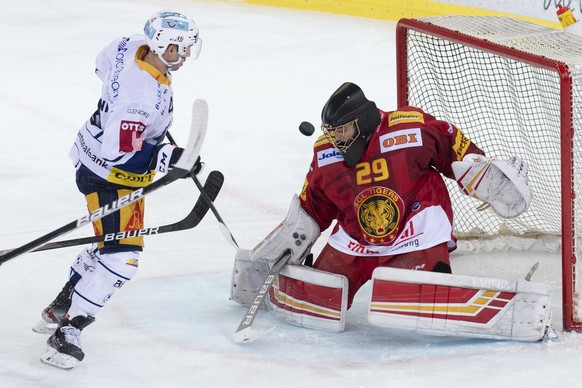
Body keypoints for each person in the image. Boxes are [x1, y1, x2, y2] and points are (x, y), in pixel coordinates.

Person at [233, 82, 531, 317]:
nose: (336, 138)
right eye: (332, 131)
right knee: (316, 303)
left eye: (343, 130)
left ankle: (433, 280)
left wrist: (485, 176)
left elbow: (453, 150)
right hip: (356, 240)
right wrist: (285, 244)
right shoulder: (326, 155)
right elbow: (314, 208)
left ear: (362, 120)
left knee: (419, 302)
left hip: (416, 232)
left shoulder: (410, 128)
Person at [37, 11, 203, 369]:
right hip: (108, 177)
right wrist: (167, 156)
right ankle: (65, 334)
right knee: (122, 258)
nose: (185, 55)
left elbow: (102, 65)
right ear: (162, 44)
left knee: (108, 246)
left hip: (91, 153)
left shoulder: (130, 45)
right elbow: (121, 154)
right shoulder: (137, 99)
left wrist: (152, 130)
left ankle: (63, 304)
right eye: (180, 48)